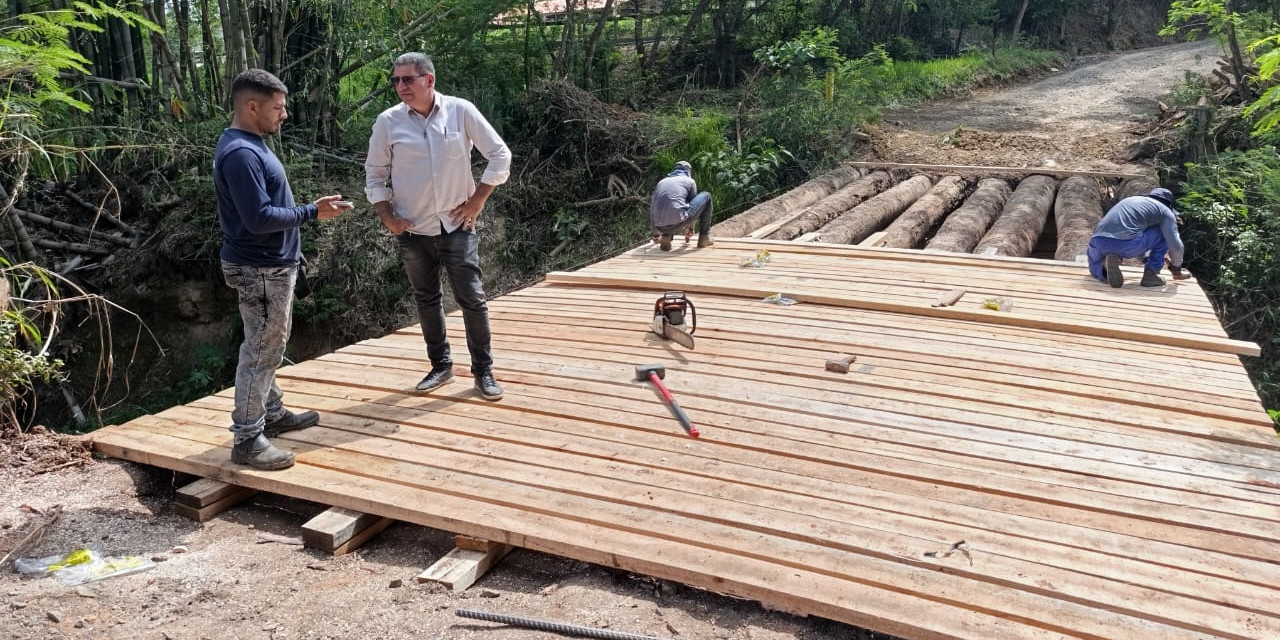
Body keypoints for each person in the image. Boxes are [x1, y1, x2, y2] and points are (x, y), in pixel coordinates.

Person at [214, 69, 352, 470]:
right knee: (261, 349)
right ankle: (247, 438)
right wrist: (313, 211)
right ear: (251, 106)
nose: (285, 114)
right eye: (278, 107)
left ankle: (271, 414)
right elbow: (257, 218)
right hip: (260, 268)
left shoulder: (250, 143)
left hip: (268, 265)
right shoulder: (241, 153)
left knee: (263, 344)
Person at [364, 52, 511, 401]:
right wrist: (387, 217)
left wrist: (478, 200)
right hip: (412, 229)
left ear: (429, 80)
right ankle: (440, 366)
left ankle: (483, 372)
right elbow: (374, 173)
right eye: (396, 80)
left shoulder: (461, 111)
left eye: (408, 79)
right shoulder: (388, 122)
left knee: (472, 299)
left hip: (456, 224)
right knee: (427, 299)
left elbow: (500, 154)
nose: (401, 86)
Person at [1087, 187, 1192, 288]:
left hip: (1096, 243)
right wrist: (1176, 267)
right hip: (1125, 245)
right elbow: (1175, 245)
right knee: (1164, 233)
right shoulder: (1165, 212)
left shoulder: (1130, 200)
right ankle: (1151, 275)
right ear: (1168, 204)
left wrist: (1146, 258)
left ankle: (1103, 271)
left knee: (1095, 268)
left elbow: (1129, 229)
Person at [650, 160, 714, 251]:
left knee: (670, 205)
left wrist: (655, 233)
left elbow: (652, 210)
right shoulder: (690, 181)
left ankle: (666, 237)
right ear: (688, 171)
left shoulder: (661, 183)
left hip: (660, 227)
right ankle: (704, 237)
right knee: (707, 196)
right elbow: (692, 206)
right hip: (679, 222)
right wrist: (690, 228)